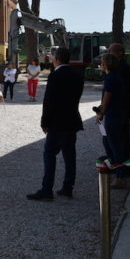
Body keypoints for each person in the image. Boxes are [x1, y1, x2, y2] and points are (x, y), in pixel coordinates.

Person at [26, 47, 84, 201]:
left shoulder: (55, 76)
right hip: (72, 119)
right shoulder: (77, 75)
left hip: (57, 122)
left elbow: (49, 101)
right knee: (70, 156)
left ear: (57, 59)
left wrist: (44, 122)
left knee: (50, 154)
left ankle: (47, 190)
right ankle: (67, 187)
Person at [94, 53, 130, 189]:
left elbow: (107, 98)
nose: (100, 64)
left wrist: (101, 113)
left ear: (106, 64)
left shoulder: (110, 79)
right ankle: (116, 170)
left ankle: (120, 176)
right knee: (110, 142)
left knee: (115, 146)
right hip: (118, 114)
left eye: (102, 62)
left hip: (113, 115)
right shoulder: (116, 77)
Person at [108, 43, 130, 164]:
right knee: (122, 137)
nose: (108, 53)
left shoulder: (122, 69)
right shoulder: (120, 68)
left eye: (110, 51)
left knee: (120, 138)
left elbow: (127, 91)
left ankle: (121, 167)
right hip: (122, 108)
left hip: (120, 108)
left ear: (120, 53)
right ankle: (125, 163)